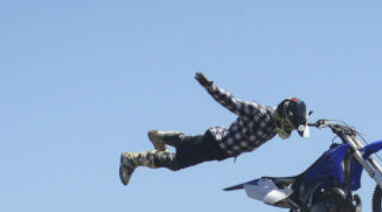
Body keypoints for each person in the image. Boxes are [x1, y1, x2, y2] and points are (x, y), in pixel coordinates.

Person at [119, 72, 309, 185]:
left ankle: (161, 137)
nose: (288, 131)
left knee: (188, 143)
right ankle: (133, 159)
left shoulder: (275, 125)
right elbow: (232, 102)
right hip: (216, 144)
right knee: (176, 162)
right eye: (289, 126)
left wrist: (311, 124)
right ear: (283, 116)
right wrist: (210, 87)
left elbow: (299, 124)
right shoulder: (258, 113)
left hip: (219, 149)